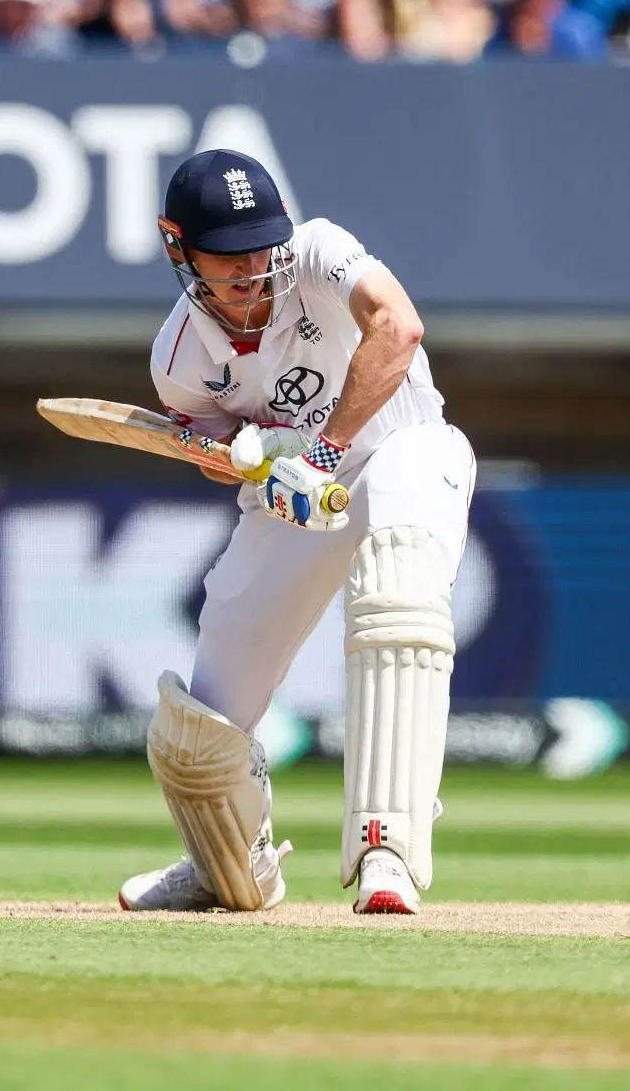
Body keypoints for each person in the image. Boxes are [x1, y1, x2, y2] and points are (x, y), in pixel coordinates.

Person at [119, 149, 476, 915]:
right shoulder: (178, 361)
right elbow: (222, 458)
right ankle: (228, 869)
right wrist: (245, 461)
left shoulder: (317, 252)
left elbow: (398, 326)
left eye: (262, 247)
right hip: (295, 502)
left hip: (406, 448)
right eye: (230, 255)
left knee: (400, 589)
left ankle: (388, 850)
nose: (254, 269)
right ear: (178, 247)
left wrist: (316, 451)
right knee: (203, 718)